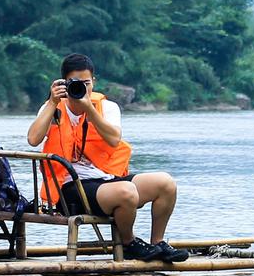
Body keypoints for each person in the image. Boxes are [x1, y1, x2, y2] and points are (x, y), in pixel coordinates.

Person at [27, 52, 187, 263]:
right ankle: (129, 243)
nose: (83, 88)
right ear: (64, 83)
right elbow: (33, 139)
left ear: (93, 81)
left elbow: (114, 139)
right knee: (127, 192)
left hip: (105, 178)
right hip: (68, 187)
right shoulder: (53, 108)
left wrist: (89, 110)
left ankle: (157, 243)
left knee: (165, 183)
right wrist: (51, 103)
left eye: (86, 82)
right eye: (75, 83)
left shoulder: (107, 108)